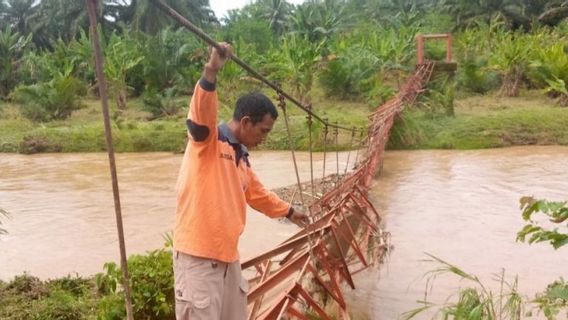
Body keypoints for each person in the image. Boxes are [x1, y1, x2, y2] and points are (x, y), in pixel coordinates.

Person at [173, 42, 309, 320]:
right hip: (198, 259)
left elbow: (257, 194)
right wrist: (211, 70)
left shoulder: (241, 157)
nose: (265, 138)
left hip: (228, 259)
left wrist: (291, 212)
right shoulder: (209, 141)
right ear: (246, 122)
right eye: (264, 130)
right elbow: (201, 116)